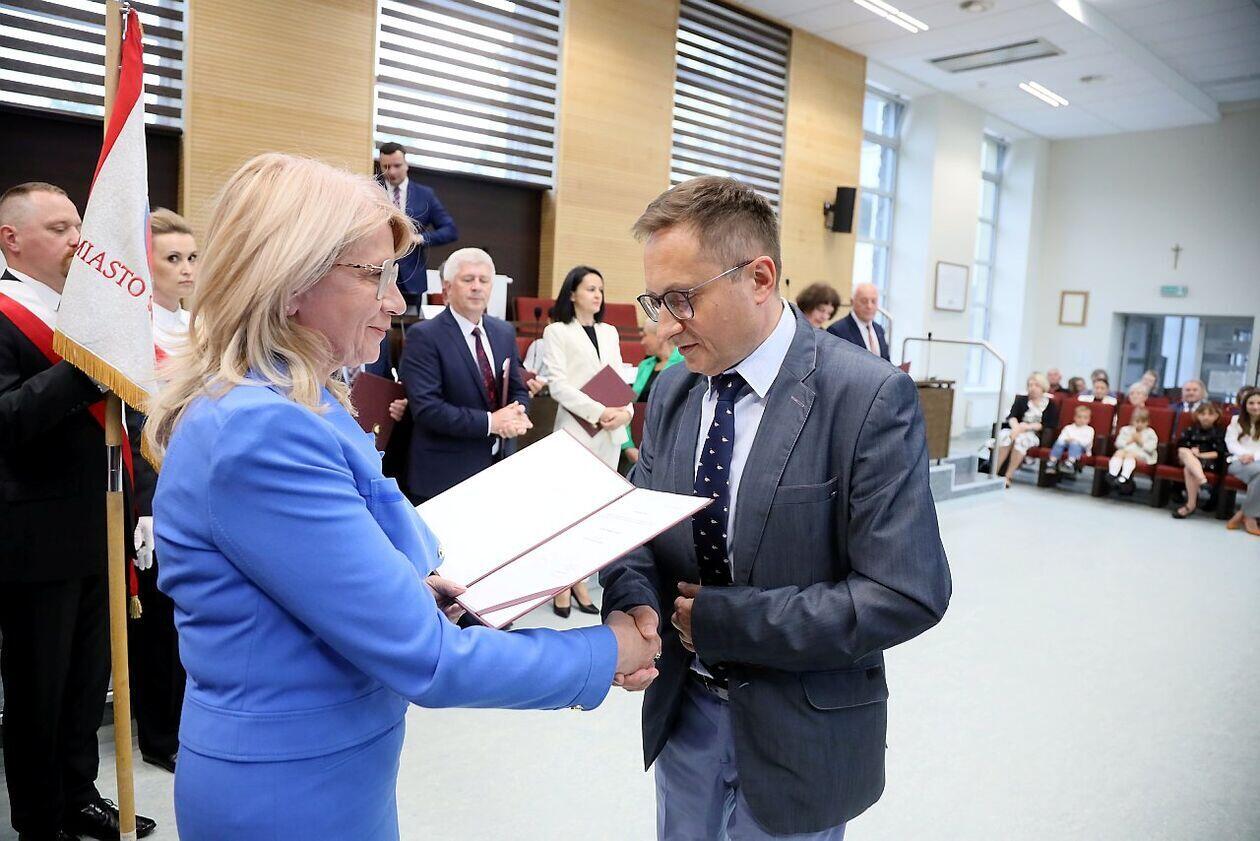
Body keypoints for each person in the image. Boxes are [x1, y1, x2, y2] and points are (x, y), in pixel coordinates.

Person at [142, 153, 658, 841]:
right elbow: (430, 659)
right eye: (375, 275)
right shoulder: (261, 430)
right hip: (288, 791)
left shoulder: (298, 403)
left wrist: (413, 587)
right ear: (290, 281)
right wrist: (606, 651)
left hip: (331, 768)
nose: (395, 302)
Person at [600, 176, 951, 840]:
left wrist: (729, 623)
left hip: (801, 731)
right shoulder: (674, 390)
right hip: (686, 717)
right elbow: (638, 528)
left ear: (759, 278)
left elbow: (906, 592)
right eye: (656, 301)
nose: (664, 327)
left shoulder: (867, 398)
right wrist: (633, 599)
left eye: (682, 299)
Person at [0, 182, 158, 840]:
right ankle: (40, 820)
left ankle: (78, 795)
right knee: (39, 690)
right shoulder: (6, 313)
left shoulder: (84, 308)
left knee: (88, 682)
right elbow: (6, 419)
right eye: (60, 228)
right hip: (36, 537)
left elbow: (126, 415)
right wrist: (85, 367)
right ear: (12, 239)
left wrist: (142, 501)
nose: (76, 240)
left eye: (78, 227)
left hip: (101, 522)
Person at [126, 207, 199, 776]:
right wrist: (146, 503)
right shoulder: (133, 331)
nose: (187, 269)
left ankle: (190, 721)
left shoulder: (199, 327)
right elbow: (135, 424)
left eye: (192, 257)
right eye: (172, 259)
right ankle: (159, 734)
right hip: (153, 487)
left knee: (193, 613)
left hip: (200, 483)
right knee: (157, 623)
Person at [399, 246, 534, 504]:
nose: (477, 287)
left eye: (484, 280)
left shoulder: (503, 332)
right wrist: (491, 422)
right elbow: (427, 409)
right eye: (468, 279)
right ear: (447, 288)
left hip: (497, 465)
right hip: (444, 474)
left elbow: (517, 388)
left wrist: (518, 413)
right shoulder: (425, 336)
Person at [543, 265, 632, 617]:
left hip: (609, 433)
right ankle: (561, 583)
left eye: (601, 289)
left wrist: (625, 413)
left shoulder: (609, 332)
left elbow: (619, 376)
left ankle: (581, 578)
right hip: (577, 430)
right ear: (572, 293)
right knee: (567, 511)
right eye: (590, 288)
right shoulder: (557, 331)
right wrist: (599, 411)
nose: (598, 295)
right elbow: (558, 385)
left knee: (594, 512)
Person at [377, 142, 458, 303]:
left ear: (406, 164)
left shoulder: (425, 195)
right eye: (386, 167)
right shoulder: (372, 190)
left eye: (397, 166)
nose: (391, 172)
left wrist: (420, 238)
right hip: (377, 275)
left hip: (412, 280)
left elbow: (450, 230)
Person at [623, 320, 684, 465]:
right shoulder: (645, 365)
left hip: (671, 448)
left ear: (659, 335)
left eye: (645, 336)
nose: (642, 342)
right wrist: (628, 446)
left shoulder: (685, 362)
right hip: (639, 444)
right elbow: (629, 406)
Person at [994, 373, 1059, 488]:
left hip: (1033, 433)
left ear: (1043, 387)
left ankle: (1008, 476)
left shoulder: (1050, 404)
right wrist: (1016, 428)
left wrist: (1026, 427)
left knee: (1021, 440)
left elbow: (1048, 424)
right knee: (1004, 437)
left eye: (1036, 385)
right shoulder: (1021, 400)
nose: (1032, 388)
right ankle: (994, 473)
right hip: (1016, 429)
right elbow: (1012, 416)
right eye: (1030, 385)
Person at [1172, 402, 1225, 519]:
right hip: (1186, 458)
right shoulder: (1190, 429)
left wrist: (1200, 455)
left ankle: (1190, 505)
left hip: (1207, 461)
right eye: (1202, 414)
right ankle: (1202, 481)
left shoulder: (1219, 432)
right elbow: (1180, 447)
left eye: (1210, 414)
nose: (1206, 417)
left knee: (1189, 469)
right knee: (1184, 451)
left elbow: (1219, 453)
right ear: (1197, 415)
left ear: (1217, 416)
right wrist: (1192, 452)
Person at [1223, 388, 1260, 535]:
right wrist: (1244, 455)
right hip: (1238, 461)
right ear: (1245, 405)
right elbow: (1230, 442)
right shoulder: (1235, 420)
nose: (1255, 407)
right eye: (1251, 403)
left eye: (1259, 403)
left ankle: (1243, 514)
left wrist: (1253, 456)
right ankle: (1249, 516)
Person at [826, 281, 889, 360]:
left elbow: (886, 361)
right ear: (852, 302)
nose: (869, 306)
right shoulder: (837, 331)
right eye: (864, 301)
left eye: (873, 301)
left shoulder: (879, 329)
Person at [1106, 407, 1158, 495]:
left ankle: (1124, 477)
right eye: (1137, 421)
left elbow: (1151, 448)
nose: (1139, 424)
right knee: (1119, 453)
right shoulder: (1126, 430)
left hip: (1144, 455)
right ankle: (1112, 474)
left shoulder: (1150, 433)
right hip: (1125, 451)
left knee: (1130, 455)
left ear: (1147, 422)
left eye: (1143, 422)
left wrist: (1140, 442)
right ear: (1132, 421)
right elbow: (1118, 443)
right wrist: (1128, 441)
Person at [1046, 404, 1094, 476]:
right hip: (1066, 446)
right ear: (1074, 417)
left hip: (1082, 448)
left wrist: (1075, 440)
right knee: (1059, 442)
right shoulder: (1068, 428)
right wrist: (1067, 440)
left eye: (1085, 418)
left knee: (1074, 444)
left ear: (1089, 419)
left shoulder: (1089, 430)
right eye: (1079, 417)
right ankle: (1052, 461)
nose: (1082, 420)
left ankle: (1070, 462)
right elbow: (1061, 438)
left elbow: (1087, 442)